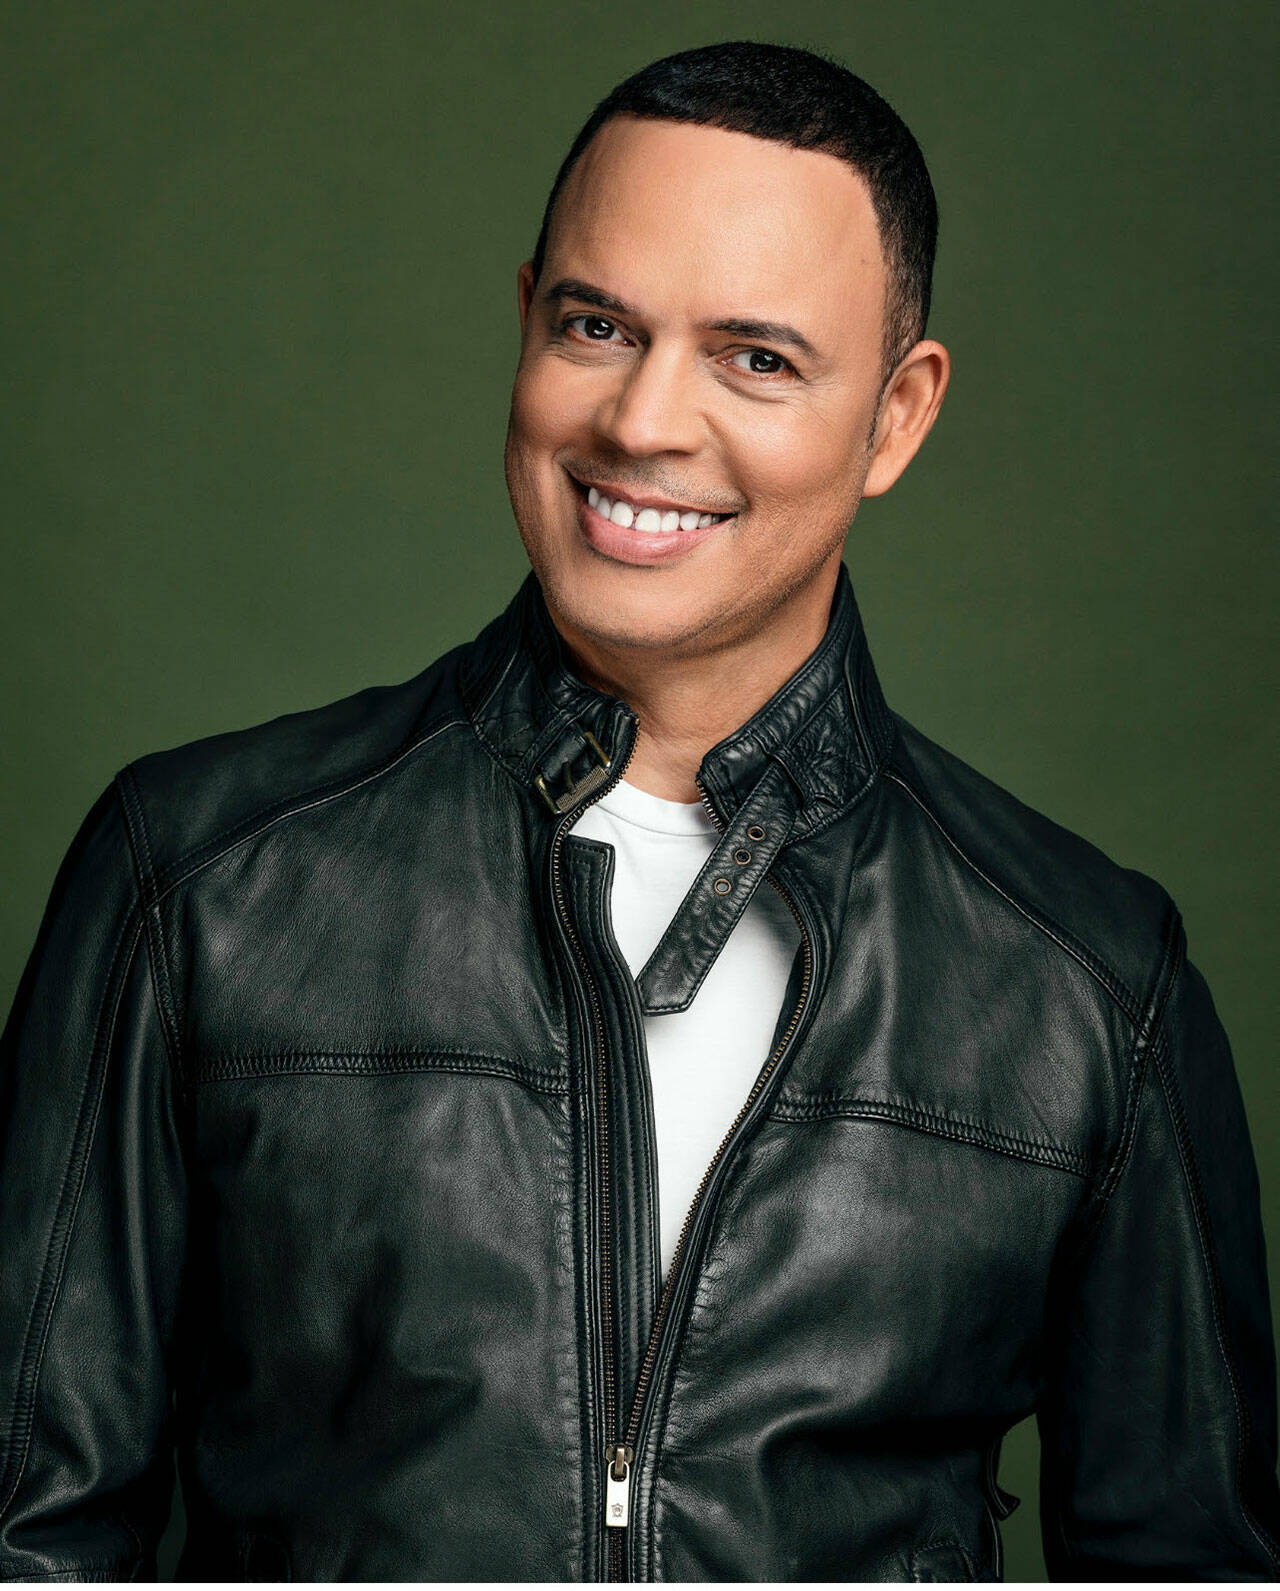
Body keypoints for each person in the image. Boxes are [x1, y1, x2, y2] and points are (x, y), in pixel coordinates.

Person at [0, 38, 1276, 1584]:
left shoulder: (1088, 983)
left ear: (896, 416)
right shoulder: (200, 876)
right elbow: (31, 1533)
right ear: (525, 319)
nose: (644, 421)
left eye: (757, 359)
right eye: (595, 326)